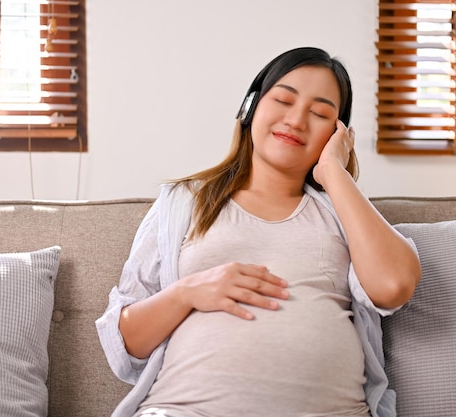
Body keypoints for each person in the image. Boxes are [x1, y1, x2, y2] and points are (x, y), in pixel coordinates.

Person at [96, 46, 421, 417]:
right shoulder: (183, 202)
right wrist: (187, 292)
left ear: (336, 135)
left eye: (319, 114)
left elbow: (393, 286)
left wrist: (334, 172)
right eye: (283, 100)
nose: (297, 120)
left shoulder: (343, 213)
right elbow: (125, 345)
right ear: (250, 107)